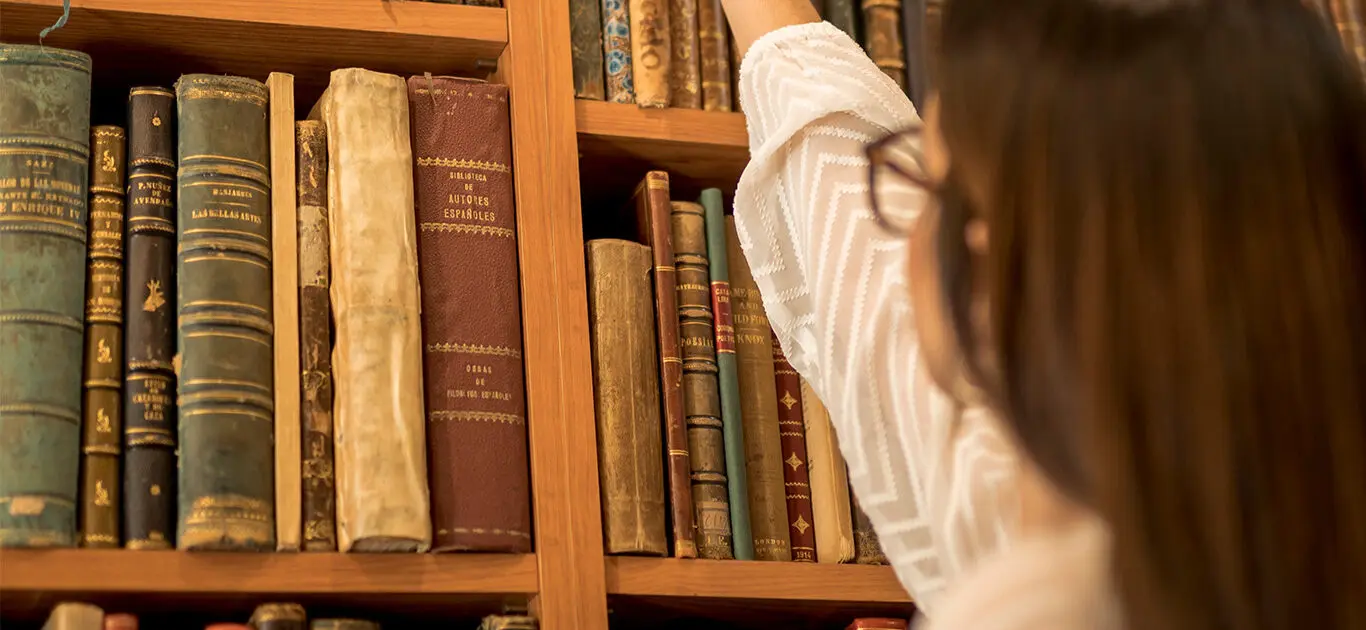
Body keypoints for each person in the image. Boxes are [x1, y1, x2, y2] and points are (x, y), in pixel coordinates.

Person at [718, 0, 1366, 628]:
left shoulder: (1033, 590)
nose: (907, 219)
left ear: (988, 265)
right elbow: (862, 259)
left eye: (931, 185)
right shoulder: (1023, 498)